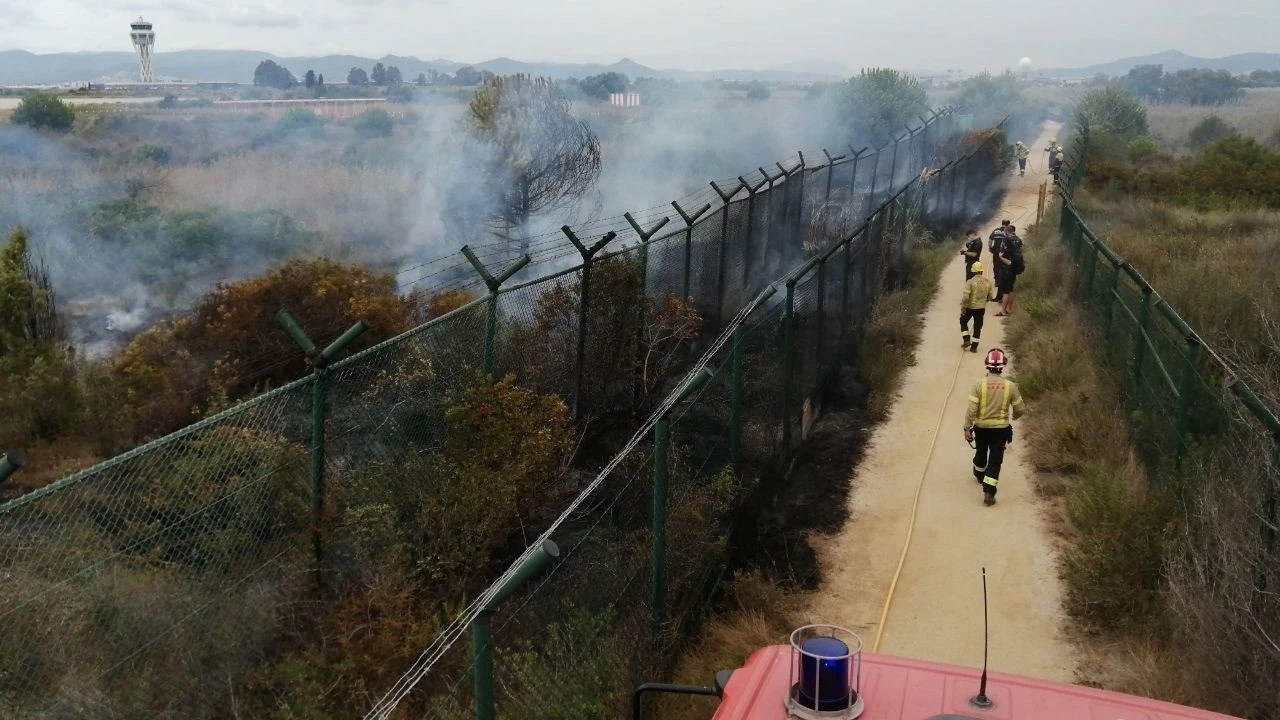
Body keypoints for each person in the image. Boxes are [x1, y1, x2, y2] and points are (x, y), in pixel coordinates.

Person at [964, 348, 1026, 506]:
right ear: (1003, 365)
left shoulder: (979, 385)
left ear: (987, 365)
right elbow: (1020, 409)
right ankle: (989, 493)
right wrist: (1015, 417)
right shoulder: (1010, 386)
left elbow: (971, 410)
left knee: (981, 452)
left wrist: (966, 428)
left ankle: (979, 474)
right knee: (995, 461)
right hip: (1000, 430)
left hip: (981, 428)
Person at [960, 260, 992, 353]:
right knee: (978, 327)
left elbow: (966, 297)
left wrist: (963, 306)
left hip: (970, 307)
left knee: (963, 321)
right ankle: (974, 347)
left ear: (973, 271)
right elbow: (990, 297)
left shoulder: (970, 282)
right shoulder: (987, 282)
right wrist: (983, 302)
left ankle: (966, 339)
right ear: (982, 271)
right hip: (981, 308)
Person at [994, 226, 1024, 317]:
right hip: (1015, 268)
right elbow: (1021, 252)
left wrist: (1000, 257)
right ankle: (1009, 309)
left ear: (1006, 232)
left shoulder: (1006, 241)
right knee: (1011, 289)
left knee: (1005, 291)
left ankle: (1003, 311)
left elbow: (1002, 255)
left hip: (1007, 269)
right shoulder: (1018, 240)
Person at [989, 221, 1010, 302]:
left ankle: (997, 281)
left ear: (1002, 223)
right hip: (1004, 253)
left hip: (996, 251)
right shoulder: (1007, 231)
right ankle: (1001, 281)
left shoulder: (995, 230)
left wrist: (990, 248)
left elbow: (990, 240)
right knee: (1003, 267)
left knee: (996, 266)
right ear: (1008, 224)